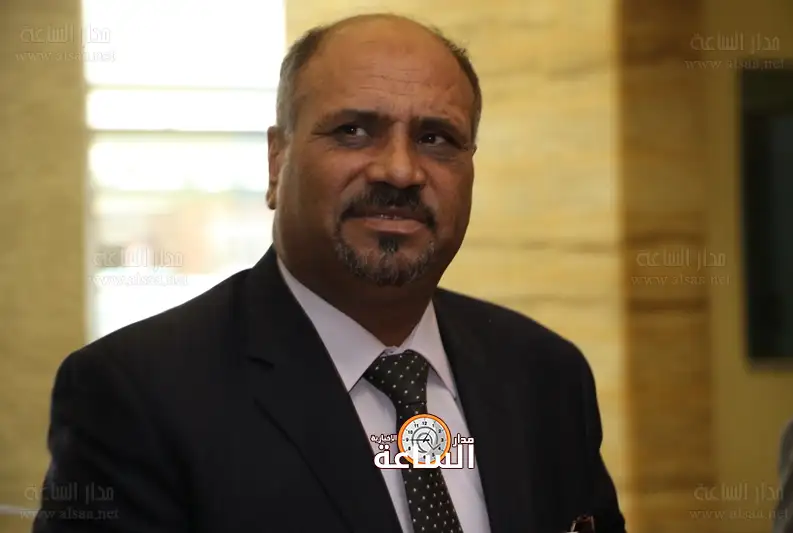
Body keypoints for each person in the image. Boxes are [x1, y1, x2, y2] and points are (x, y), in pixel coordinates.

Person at [33, 13, 626, 533]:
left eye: (436, 138)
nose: (400, 171)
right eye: (353, 131)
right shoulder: (137, 395)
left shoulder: (545, 375)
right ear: (277, 161)